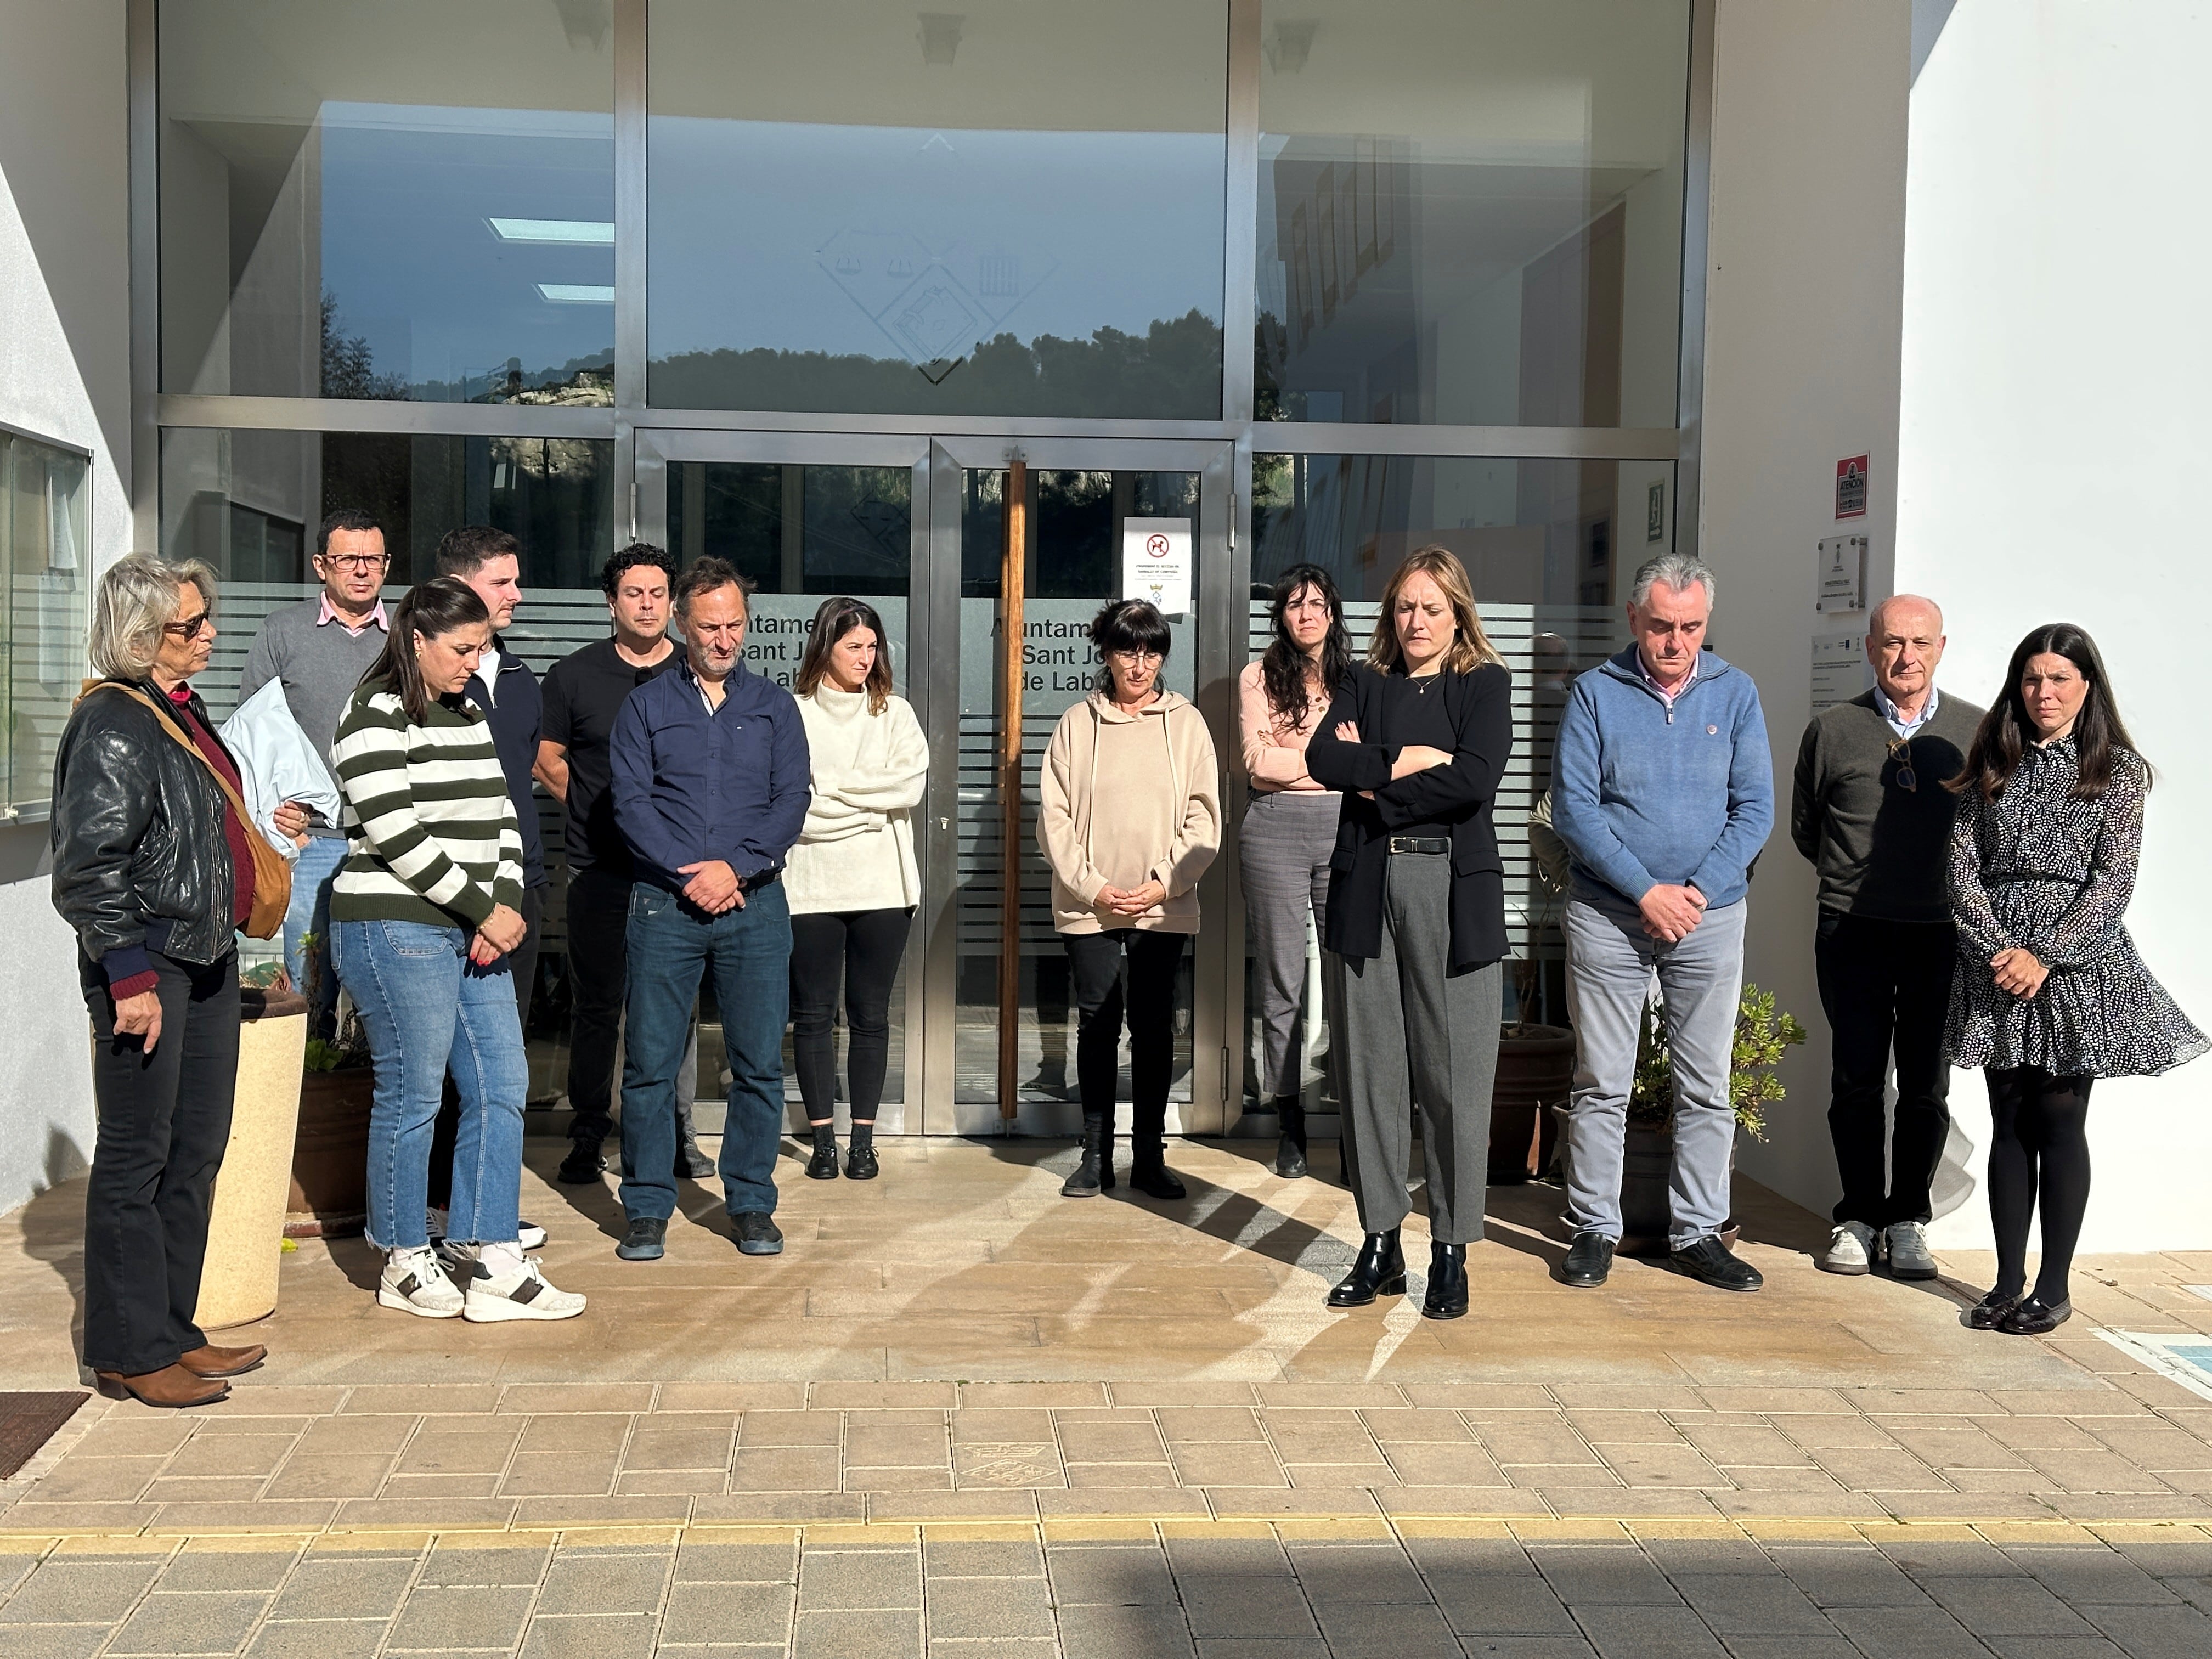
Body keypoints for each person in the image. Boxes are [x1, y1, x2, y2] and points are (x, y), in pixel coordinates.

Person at [52, 556, 290, 1406]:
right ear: (144, 636)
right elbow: (90, 866)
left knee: (195, 1151)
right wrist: (127, 976)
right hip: (150, 964)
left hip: (205, 954)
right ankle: (131, 1350)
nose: (210, 635)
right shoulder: (116, 723)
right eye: (192, 626)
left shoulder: (174, 712)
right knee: (137, 1157)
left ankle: (172, 1331)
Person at [329, 579, 585, 1323]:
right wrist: (483, 908)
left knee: (502, 1083)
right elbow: (393, 830)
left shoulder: (468, 710)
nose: (477, 662)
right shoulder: (371, 712)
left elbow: (505, 815)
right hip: (395, 926)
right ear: (417, 641)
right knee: (414, 1092)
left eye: (483, 648)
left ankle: (492, 1254)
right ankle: (404, 1257)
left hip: (474, 928)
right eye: (463, 649)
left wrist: (498, 909)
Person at [1945, 624, 2203, 1335]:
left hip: (2074, 963)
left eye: (2059, 679)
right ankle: (2004, 1281)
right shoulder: (1993, 757)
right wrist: (1999, 947)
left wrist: (2046, 954)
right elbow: (1962, 862)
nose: (2044, 693)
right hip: (1993, 961)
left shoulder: (2116, 770)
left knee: (2058, 1119)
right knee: (2007, 1120)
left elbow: (2112, 882)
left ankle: (2052, 1287)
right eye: (2032, 679)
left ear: (2087, 686)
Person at [1550, 553, 1775, 1293]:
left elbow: (1755, 811)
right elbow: (1577, 810)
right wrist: (1646, 891)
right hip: (1610, 914)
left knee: (1706, 1084)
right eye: (1661, 627)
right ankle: (1593, 1228)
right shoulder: (1594, 694)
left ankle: (1699, 1231)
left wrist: (1694, 893)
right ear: (1632, 620)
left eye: (1691, 628)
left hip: (1708, 919)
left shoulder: (1736, 693)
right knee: (1601, 1082)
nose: (1676, 642)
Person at [1305, 547, 1512, 1321]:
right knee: (1371, 1073)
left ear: (1458, 610)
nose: (1416, 620)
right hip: (1367, 888)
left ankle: (1451, 1249)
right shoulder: (1366, 681)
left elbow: (1475, 781)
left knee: (1454, 1077)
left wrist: (1376, 784)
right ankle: (1381, 1242)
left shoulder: (1483, 684)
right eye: (1404, 607)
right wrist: (1405, 760)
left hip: (1450, 893)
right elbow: (1325, 756)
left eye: (1431, 607)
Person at [607, 558, 810, 1262]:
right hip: (666, 907)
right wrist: (688, 873)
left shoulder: (774, 707)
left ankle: (751, 1202)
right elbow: (630, 804)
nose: (724, 640)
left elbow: (793, 801)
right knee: (651, 1065)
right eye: (710, 627)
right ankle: (647, 1207)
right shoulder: (646, 707)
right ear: (680, 625)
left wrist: (736, 868)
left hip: (755, 905)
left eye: (735, 626)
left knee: (756, 1064)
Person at [1791, 595, 1983, 1280]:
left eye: (1921, 643)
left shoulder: (1976, 730)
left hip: (1941, 933)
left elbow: (1988, 835)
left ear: (1941, 648)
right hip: (1854, 929)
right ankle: (1857, 1217)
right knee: (1857, 1080)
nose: (1907, 657)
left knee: (1928, 1084)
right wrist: (1856, 885)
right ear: (1871, 649)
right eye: (1894, 642)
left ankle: (1907, 1221)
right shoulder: (1834, 728)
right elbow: (1808, 827)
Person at [1039, 600, 1221, 1201]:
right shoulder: (1076, 723)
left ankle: (1149, 1155)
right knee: (1096, 1021)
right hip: (1091, 904)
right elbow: (1054, 820)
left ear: (1163, 655)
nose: (1138, 665)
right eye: (1126, 650)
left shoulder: (1187, 724)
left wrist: (1163, 884)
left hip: (1161, 903)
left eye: (1150, 651)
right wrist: (1093, 887)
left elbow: (1203, 819)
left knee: (1152, 1026)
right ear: (1107, 654)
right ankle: (1095, 1154)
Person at [537, 544, 708, 1185]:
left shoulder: (695, 676)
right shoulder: (574, 675)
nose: (646, 604)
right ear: (611, 603)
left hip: (674, 874)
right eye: (633, 593)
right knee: (597, 1006)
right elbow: (548, 757)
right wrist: (595, 807)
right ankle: (588, 1130)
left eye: (658, 593)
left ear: (673, 602)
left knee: (674, 1007)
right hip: (599, 868)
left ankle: (677, 1132)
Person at [426, 527, 551, 1255]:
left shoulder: (522, 679)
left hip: (521, 890)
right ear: (464, 585)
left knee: (502, 1064)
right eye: (504, 581)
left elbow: (517, 788)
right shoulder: (426, 683)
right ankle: (436, 1216)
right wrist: (473, 902)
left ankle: (481, 1215)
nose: (517, 594)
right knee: (445, 1067)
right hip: (455, 900)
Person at [238, 507, 393, 1039]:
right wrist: (279, 818)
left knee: (385, 987)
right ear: (320, 565)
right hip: (313, 842)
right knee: (309, 988)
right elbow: (253, 734)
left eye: (373, 559)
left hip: (389, 837)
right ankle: (308, 1105)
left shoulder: (408, 638)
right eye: (348, 558)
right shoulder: (282, 633)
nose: (361, 570)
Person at [788, 597, 928, 1182]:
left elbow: (911, 786)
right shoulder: (791, 713)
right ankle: (822, 1141)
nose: (866, 658)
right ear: (826, 647)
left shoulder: (894, 713)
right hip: (810, 887)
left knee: (870, 1015)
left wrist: (835, 793)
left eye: (873, 647)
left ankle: (864, 1141)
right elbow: (795, 808)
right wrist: (869, 809)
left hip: (883, 888)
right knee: (813, 1016)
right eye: (853, 647)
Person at [1238, 563, 1352, 1180]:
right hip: (1275, 829)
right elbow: (1257, 762)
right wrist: (1332, 761)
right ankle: (1290, 1121)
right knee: (1283, 983)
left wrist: (1303, 757)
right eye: (1293, 604)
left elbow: (1370, 760)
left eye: (1316, 602)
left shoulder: (1357, 679)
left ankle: (1357, 1123)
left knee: (1349, 979)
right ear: (1280, 614)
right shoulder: (1258, 676)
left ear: (1332, 610)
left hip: (1344, 831)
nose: (1305, 614)